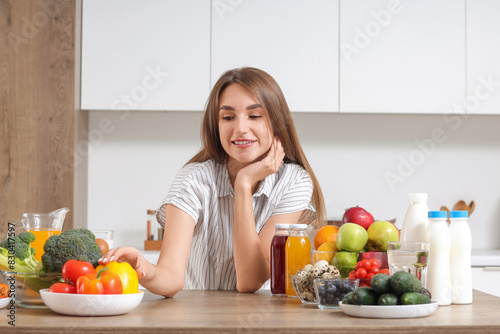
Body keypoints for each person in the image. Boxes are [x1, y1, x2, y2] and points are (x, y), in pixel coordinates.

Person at [99, 67, 326, 297]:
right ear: (215, 125)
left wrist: (243, 184)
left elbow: (250, 280)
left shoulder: (293, 182)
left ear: (277, 123)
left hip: (260, 320)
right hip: (196, 318)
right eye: (228, 117)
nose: (240, 129)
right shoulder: (194, 179)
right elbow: (171, 277)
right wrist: (143, 268)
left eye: (254, 116)